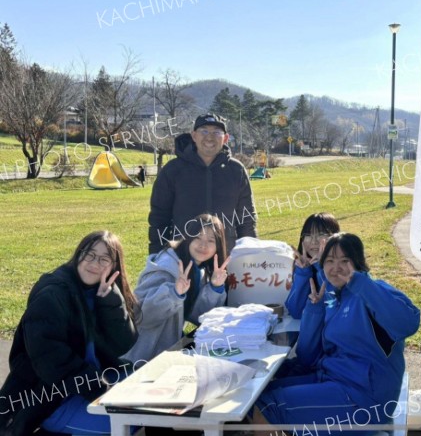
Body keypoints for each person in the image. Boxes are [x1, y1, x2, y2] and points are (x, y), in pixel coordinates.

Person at [252, 233, 420, 435]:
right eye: (329, 261)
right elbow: (307, 356)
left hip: (365, 400)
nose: (336, 267)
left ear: (358, 263)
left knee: (269, 406)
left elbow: (408, 323)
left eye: (345, 260)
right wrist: (315, 309)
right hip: (333, 381)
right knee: (261, 393)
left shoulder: (372, 291)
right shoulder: (335, 298)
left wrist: (361, 284)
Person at [0, 231, 138, 435]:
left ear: (114, 266)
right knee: (128, 423)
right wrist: (102, 390)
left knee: (148, 401)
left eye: (104, 259)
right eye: (89, 254)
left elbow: (123, 343)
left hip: (89, 387)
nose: (94, 263)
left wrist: (109, 303)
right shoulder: (52, 295)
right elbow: (52, 362)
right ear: (78, 254)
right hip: (50, 399)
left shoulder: (101, 292)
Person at [123, 214, 229, 364]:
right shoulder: (166, 268)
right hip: (141, 359)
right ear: (187, 238)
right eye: (197, 237)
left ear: (218, 246)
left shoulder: (198, 269)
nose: (203, 245)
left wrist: (214, 288)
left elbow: (198, 316)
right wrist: (173, 293)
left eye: (211, 240)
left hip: (168, 351)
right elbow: (141, 316)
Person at [148, 113, 257, 255]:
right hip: (183, 257)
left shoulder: (236, 170)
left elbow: (247, 219)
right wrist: (157, 254)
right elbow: (159, 217)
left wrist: (249, 255)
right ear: (193, 136)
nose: (210, 137)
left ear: (225, 138)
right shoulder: (173, 170)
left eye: (216, 132)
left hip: (225, 257)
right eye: (204, 131)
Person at [285, 212, 340, 319]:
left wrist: (322, 267)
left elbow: (335, 307)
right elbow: (296, 312)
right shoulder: (304, 267)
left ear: (335, 237)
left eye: (321, 235)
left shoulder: (346, 267)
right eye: (308, 235)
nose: (314, 241)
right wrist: (303, 273)